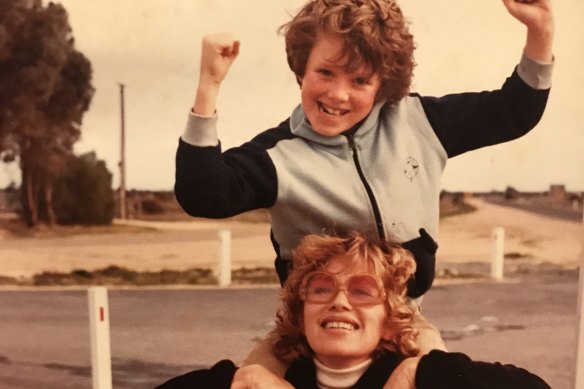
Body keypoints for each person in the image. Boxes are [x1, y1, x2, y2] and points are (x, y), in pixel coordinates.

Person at [175, 0, 554, 377]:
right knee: (250, 382)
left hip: (405, 321)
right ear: (301, 70)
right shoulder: (279, 155)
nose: (338, 95)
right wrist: (209, 85)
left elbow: (514, 110)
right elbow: (203, 193)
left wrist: (540, 30)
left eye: (359, 80)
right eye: (325, 72)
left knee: (436, 379)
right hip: (309, 329)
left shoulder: (418, 123)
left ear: (383, 86)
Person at [155, 232, 551, 389]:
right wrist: (237, 380)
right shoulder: (278, 382)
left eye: (362, 291)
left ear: (389, 317)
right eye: (321, 288)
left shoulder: (411, 381)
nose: (339, 300)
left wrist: (426, 370)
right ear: (301, 310)